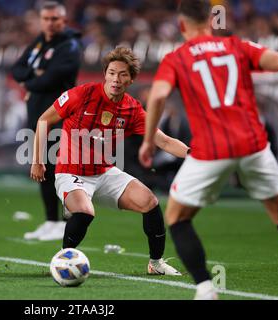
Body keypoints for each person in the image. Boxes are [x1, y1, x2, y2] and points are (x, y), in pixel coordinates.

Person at [139, 0, 278, 300]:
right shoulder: (238, 46)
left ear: (182, 25)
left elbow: (157, 96)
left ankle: (205, 288)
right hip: (254, 145)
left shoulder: (176, 58)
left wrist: (148, 141)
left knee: (177, 217)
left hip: (212, 150)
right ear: (211, 23)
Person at [30, 47, 190, 275]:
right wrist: (38, 160)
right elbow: (44, 120)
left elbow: (163, 141)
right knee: (85, 212)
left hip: (104, 173)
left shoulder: (132, 109)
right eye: (112, 72)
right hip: (70, 172)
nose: (116, 79)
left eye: (123, 74)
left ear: (131, 79)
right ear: (105, 73)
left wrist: (194, 155)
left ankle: (155, 264)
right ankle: (62, 260)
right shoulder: (81, 94)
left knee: (150, 202)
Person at [12, 1, 82, 241]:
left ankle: (65, 221)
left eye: (55, 19)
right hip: (38, 117)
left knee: (59, 169)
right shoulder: (40, 43)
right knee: (41, 167)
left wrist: (29, 81)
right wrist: (34, 76)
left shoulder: (70, 45)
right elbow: (17, 69)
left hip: (60, 117)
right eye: (46, 19)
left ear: (64, 20)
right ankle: (51, 221)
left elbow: (53, 78)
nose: (50, 23)